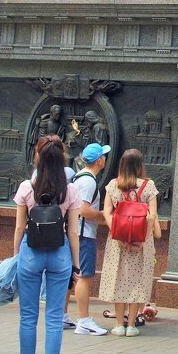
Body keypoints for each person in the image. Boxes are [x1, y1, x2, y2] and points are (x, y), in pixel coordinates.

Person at [13, 134, 81, 354]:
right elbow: (73, 232)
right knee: (54, 317)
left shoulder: (26, 188)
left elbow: (20, 227)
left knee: (27, 316)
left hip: (30, 252)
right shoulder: (70, 190)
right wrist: (76, 265)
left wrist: (16, 254)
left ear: (37, 158)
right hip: (59, 253)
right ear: (62, 159)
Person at [99, 149, 160, 336]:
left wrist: (118, 234)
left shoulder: (113, 185)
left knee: (119, 279)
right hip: (142, 242)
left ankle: (119, 324)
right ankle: (132, 324)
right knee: (138, 280)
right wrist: (141, 238)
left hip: (118, 241)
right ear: (140, 165)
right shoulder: (148, 186)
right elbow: (152, 216)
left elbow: (107, 213)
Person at [71, 143, 110, 336]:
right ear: (99, 160)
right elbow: (83, 210)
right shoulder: (89, 182)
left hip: (73, 232)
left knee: (68, 277)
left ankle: (62, 316)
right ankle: (84, 320)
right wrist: (102, 215)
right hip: (83, 234)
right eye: (103, 155)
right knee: (84, 277)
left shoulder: (77, 176)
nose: (105, 158)